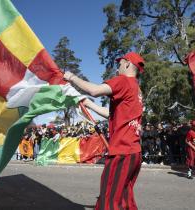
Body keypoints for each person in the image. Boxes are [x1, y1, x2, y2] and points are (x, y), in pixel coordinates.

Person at [64, 51, 144, 210]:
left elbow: (94, 90)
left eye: (119, 64)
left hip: (122, 151)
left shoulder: (123, 81)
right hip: (134, 152)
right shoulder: (137, 89)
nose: (117, 68)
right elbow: (112, 114)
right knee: (124, 197)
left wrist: (72, 77)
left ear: (127, 63)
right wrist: (89, 104)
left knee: (109, 198)